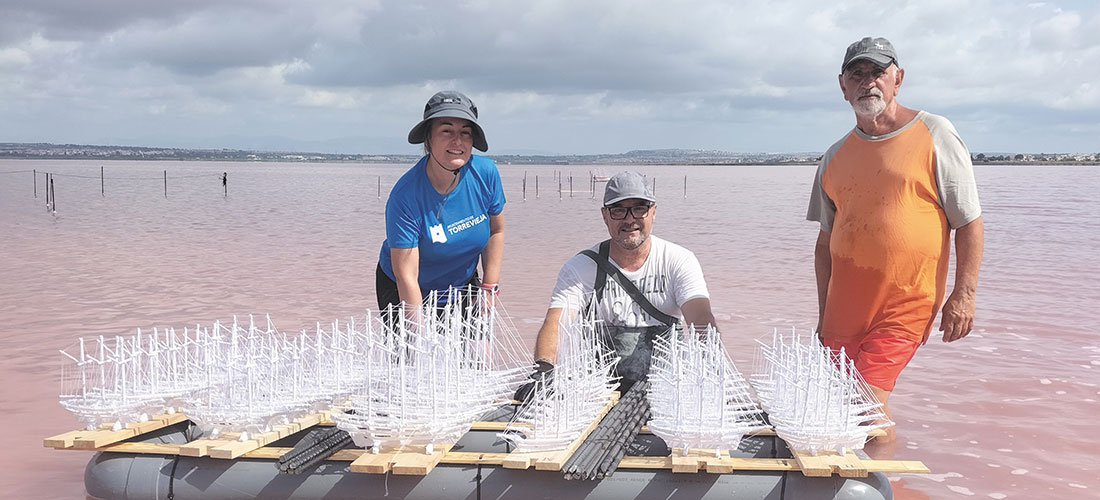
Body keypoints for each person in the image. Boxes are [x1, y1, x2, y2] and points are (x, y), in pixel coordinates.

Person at [807, 37, 984, 445]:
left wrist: (964, 295)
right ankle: (868, 476)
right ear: (843, 86)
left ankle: (884, 477)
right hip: (843, 311)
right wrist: (823, 316)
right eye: (857, 74)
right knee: (841, 410)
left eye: (878, 72)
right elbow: (824, 245)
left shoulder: (934, 133)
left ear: (898, 79)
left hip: (905, 303)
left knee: (865, 407)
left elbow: (969, 222)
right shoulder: (834, 156)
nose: (868, 82)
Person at [519, 171, 718, 398]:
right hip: (599, 393)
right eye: (618, 210)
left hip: (667, 391)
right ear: (605, 215)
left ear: (653, 211)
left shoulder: (679, 260)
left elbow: (700, 318)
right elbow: (556, 322)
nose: (629, 219)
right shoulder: (581, 267)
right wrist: (544, 369)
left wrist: (713, 368)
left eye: (639, 208)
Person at [376, 91, 505, 313]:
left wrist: (488, 287)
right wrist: (418, 327)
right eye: (447, 130)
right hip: (406, 286)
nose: (458, 141)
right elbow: (406, 275)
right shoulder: (405, 196)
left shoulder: (485, 173)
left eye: (465, 132)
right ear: (429, 139)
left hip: (462, 283)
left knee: (473, 337)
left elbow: (496, 231)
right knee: (415, 336)